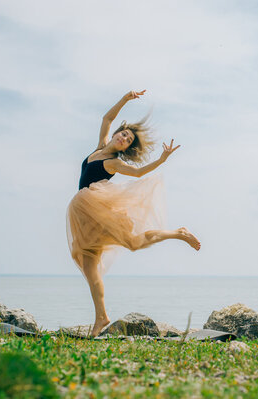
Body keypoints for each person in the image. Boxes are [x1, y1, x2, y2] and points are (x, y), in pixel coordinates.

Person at [66, 89, 201, 337]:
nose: (124, 139)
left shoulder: (115, 163)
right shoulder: (98, 149)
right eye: (124, 134)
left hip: (98, 211)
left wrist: (161, 159)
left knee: (133, 243)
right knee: (89, 266)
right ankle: (101, 317)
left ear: (126, 148)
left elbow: (138, 174)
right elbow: (106, 119)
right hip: (83, 215)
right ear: (116, 133)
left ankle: (178, 233)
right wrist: (125, 99)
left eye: (128, 141)